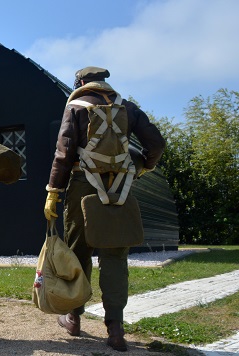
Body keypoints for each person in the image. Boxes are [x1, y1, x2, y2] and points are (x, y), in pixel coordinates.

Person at [45, 66, 165, 351]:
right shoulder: (128, 108)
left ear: (82, 83)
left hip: (82, 186)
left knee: (78, 251)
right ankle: (115, 327)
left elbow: (63, 154)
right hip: (120, 187)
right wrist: (145, 166)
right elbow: (156, 143)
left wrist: (53, 191)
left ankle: (73, 317)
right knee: (115, 255)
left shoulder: (75, 107)